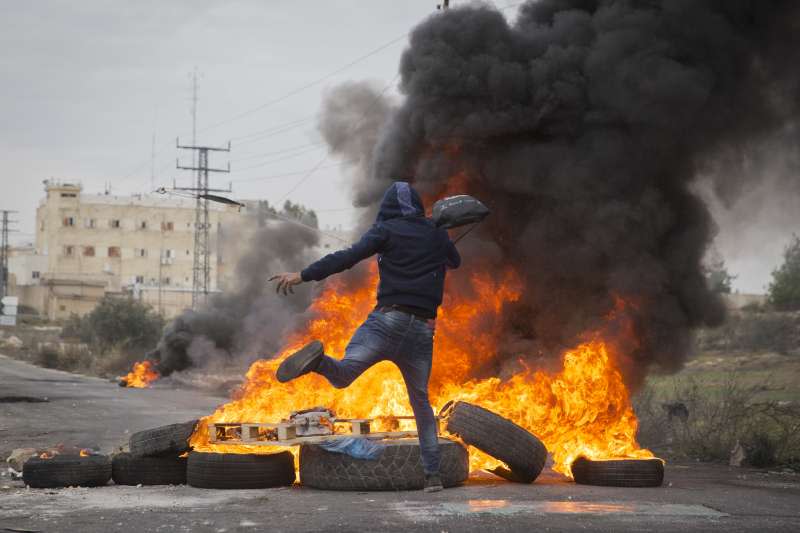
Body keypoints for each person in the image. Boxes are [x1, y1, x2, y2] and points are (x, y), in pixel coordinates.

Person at [269, 181, 461, 493]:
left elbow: (346, 257)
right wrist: (440, 234)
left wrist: (302, 275)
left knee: (344, 374)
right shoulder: (436, 232)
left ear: (387, 207)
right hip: (422, 332)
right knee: (421, 403)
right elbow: (455, 261)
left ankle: (318, 363)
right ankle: (433, 477)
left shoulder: (385, 231)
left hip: (387, 323)